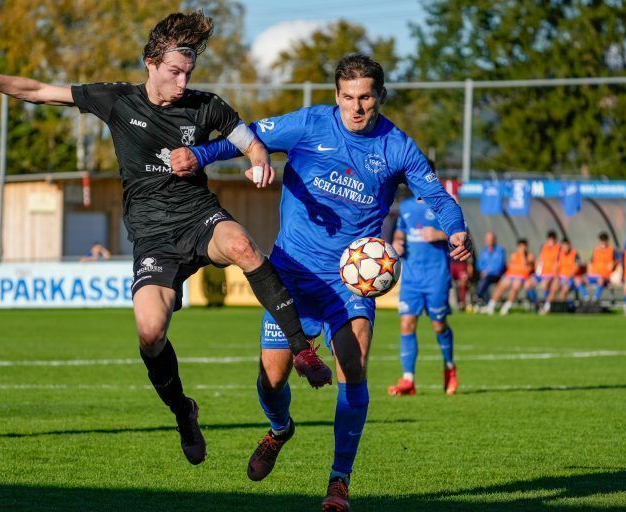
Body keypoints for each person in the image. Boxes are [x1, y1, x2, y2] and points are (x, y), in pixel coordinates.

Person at [0, 10, 333, 465]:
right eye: (174, 72)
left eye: (188, 73)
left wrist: (260, 162)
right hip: (152, 237)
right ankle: (184, 411)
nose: (183, 82)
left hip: (199, 217)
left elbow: (251, 142)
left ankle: (301, 350)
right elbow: (39, 91)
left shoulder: (207, 105)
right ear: (150, 63)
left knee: (244, 246)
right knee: (150, 334)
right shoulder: (116, 100)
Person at [173, 53, 471, 512]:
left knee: (354, 361)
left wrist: (456, 228)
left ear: (380, 96)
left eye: (366, 97)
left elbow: (436, 195)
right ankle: (280, 429)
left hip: (350, 281)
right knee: (272, 377)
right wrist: (199, 155)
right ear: (337, 95)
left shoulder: (397, 147)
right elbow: (247, 137)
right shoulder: (309, 124)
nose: (357, 107)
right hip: (291, 274)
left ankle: (339, 481)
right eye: (348, 97)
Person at [387, 198, 457, 397]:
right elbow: (400, 232)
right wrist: (397, 242)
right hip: (411, 278)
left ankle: (449, 367)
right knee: (406, 324)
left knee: (439, 325)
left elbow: (462, 235)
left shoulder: (445, 205)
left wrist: (440, 234)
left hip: (436, 276)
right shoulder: (406, 206)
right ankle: (408, 379)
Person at [483, 239, 534, 316]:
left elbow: (529, 267)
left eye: (524, 247)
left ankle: (506, 307)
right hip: (510, 275)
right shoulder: (514, 255)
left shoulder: (529, 256)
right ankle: (491, 305)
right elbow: (509, 265)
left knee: (515, 287)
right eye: (520, 247)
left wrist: (523, 255)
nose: (522, 248)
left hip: (521, 276)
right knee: (500, 287)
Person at [549, 238, 584, 306]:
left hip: (571, 278)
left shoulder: (575, 253)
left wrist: (567, 277)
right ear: (562, 246)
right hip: (561, 277)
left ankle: (562, 307)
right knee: (553, 289)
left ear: (570, 245)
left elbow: (576, 268)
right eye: (564, 245)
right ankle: (549, 307)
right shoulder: (560, 254)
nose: (566, 247)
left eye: (567, 245)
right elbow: (555, 267)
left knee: (563, 292)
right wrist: (556, 277)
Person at [584, 232, 616, 303]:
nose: (603, 242)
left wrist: (613, 264)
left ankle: (596, 298)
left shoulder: (611, 250)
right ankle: (585, 297)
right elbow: (590, 262)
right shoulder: (596, 249)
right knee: (579, 280)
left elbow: (618, 261)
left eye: (604, 240)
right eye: (601, 240)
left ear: (607, 241)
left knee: (600, 280)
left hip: (604, 276)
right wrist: (589, 269)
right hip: (593, 275)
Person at [475, 231, 505, 306]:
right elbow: (479, 264)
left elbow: (500, 265)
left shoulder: (499, 250)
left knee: (485, 280)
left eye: (491, 239)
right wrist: (483, 271)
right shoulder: (483, 251)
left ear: (494, 240)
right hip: (485, 275)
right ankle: (483, 301)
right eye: (488, 239)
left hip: (496, 275)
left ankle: (479, 297)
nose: (489, 241)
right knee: (483, 280)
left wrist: (488, 271)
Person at [534, 230, 561, 314]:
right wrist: (537, 271)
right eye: (549, 239)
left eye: (553, 239)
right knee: (528, 284)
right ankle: (536, 303)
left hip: (553, 274)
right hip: (542, 273)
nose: (551, 241)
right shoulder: (544, 247)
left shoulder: (559, 248)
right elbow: (539, 260)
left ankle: (546, 305)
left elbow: (560, 261)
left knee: (548, 286)